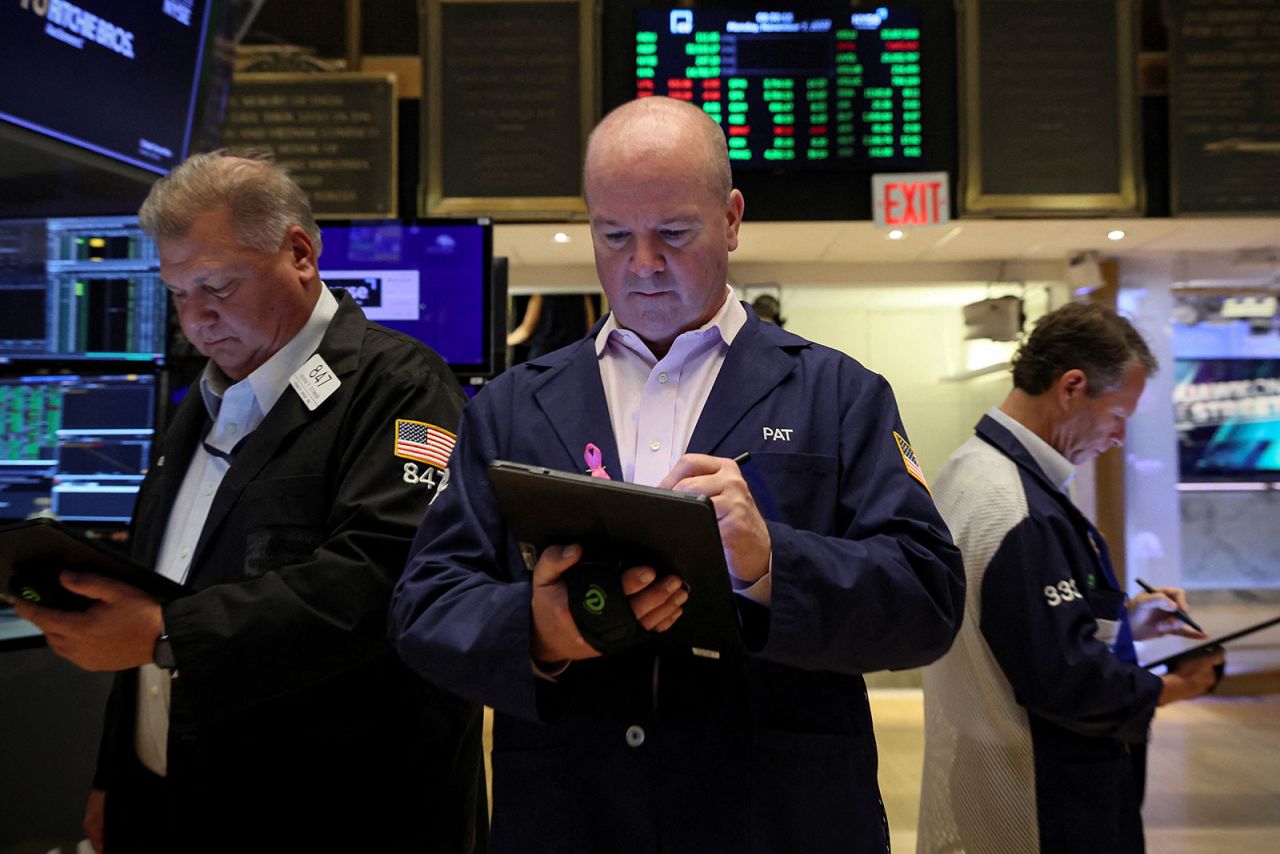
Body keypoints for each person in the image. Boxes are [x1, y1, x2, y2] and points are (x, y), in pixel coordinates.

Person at [390, 96, 965, 854]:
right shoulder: (510, 409)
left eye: (673, 233)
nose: (642, 263)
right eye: (615, 235)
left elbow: (928, 596)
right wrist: (536, 632)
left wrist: (771, 562)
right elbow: (426, 606)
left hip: (779, 816)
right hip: (573, 815)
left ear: (730, 218)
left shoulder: (838, 394)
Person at [14, 153, 486, 853]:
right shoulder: (201, 406)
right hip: (170, 799)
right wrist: (115, 775)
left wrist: (169, 633)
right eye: (177, 294)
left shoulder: (402, 387)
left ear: (299, 253)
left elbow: (381, 578)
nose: (196, 320)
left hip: (337, 815)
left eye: (217, 286)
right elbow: (148, 589)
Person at [917, 302, 1225, 854]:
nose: (1118, 438)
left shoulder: (972, 469)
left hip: (993, 770)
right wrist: (1176, 688)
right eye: (1117, 416)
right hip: (1038, 798)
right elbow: (1066, 681)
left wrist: (1126, 623)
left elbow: (1018, 624)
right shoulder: (1011, 505)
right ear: (1072, 387)